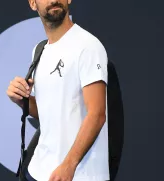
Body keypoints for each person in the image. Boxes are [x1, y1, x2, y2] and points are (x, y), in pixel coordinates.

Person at [7, 0, 109, 180]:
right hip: (40, 171)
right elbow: (48, 114)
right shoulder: (39, 50)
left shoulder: (88, 46)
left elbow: (97, 114)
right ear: (33, 3)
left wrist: (69, 165)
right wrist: (21, 100)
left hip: (79, 175)